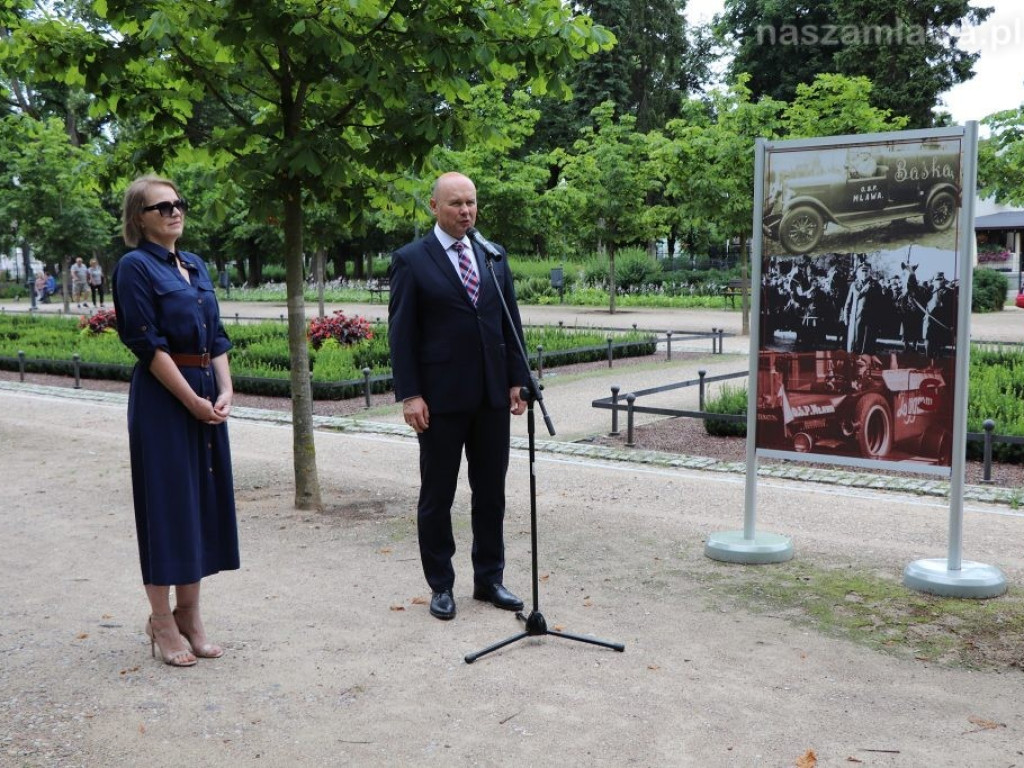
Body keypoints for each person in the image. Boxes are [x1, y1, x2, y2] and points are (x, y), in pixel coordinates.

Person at [388, 171, 530, 621]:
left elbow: (510, 323)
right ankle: (441, 586)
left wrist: (517, 379)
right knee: (438, 495)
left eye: (470, 202)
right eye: (455, 203)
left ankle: (489, 579)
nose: (465, 211)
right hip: (440, 401)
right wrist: (410, 394)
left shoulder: (492, 255)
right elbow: (401, 334)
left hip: (491, 399)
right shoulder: (411, 260)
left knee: (491, 494)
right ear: (434, 206)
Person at [112, 174, 239, 666]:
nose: (173, 212)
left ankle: (190, 614)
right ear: (138, 219)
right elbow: (146, 344)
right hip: (166, 400)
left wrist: (226, 389)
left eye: (178, 203)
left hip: (206, 393)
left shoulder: (195, 264)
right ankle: (160, 620)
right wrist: (190, 400)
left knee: (201, 502)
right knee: (167, 505)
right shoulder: (134, 268)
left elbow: (219, 335)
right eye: (161, 206)